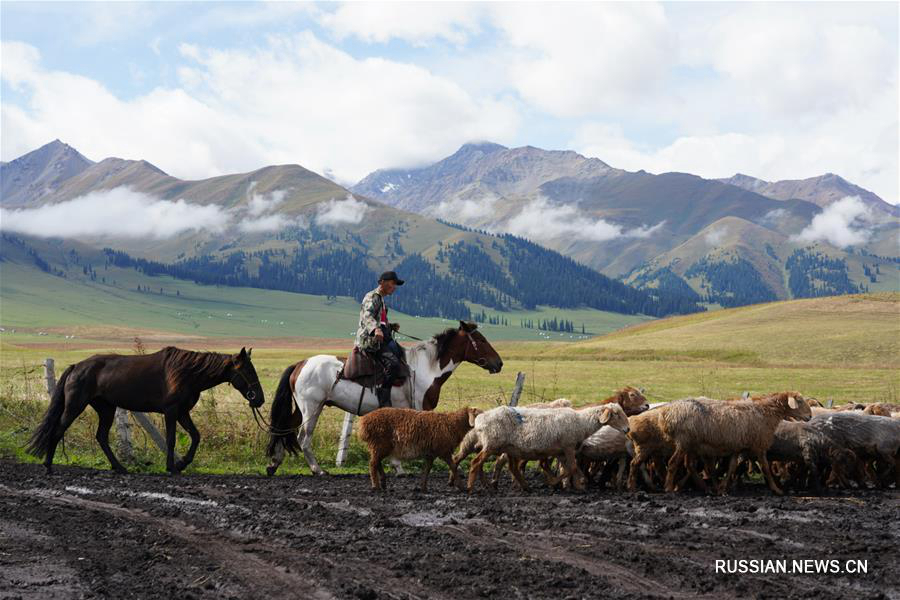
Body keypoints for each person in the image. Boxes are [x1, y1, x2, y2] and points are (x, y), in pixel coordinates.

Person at [356, 271, 406, 408]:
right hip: (370, 340)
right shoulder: (372, 297)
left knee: (402, 355)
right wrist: (375, 329)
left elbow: (381, 321)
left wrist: (390, 326)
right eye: (392, 282)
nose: (394, 286)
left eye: (396, 284)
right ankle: (383, 397)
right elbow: (367, 316)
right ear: (382, 282)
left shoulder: (382, 300)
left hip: (381, 338)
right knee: (393, 364)